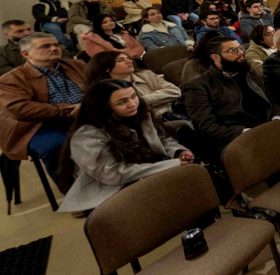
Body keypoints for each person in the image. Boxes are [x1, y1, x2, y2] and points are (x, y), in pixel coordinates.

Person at [55, 79, 192, 213]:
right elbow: (113, 174)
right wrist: (171, 165)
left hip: (145, 171)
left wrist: (177, 152)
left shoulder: (140, 115)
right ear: (104, 107)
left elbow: (162, 139)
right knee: (184, 191)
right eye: (122, 102)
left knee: (193, 180)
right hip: (112, 190)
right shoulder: (86, 136)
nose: (132, 104)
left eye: (134, 97)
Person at [0, 33, 86, 178]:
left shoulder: (77, 65)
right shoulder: (11, 79)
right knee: (57, 146)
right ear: (26, 54)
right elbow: (21, 109)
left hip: (84, 115)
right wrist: (68, 110)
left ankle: (124, 178)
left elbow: (99, 87)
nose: (54, 48)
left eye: (56, 45)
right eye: (45, 46)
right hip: (40, 126)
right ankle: (74, 192)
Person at [182, 36, 278, 163]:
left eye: (240, 48)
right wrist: (246, 132)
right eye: (233, 50)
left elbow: (271, 98)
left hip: (267, 127)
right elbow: (207, 127)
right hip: (236, 138)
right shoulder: (198, 86)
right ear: (215, 57)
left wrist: (277, 116)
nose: (240, 53)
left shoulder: (247, 71)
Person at [84, 51, 181, 118]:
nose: (130, 61)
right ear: (107, 68)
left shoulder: (146, 74)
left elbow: (175, 91)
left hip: (170, 114)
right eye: (120, 60)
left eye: (128, 58)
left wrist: (142, 100)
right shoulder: (101, 90)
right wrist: (158, 98)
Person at [2, 19, 71, 75]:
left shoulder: (49, 42)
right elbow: (4, 70)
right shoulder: (2, 51)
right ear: (7, 35)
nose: (27, 33)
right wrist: (41, 70)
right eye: (20, 31)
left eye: (29, 29)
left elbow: (67, 59)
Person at [81, 14, 146, 60]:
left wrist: (132, 53)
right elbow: (100, 56)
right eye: (105, 22)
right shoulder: (91, 39)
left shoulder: (123, 33)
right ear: (98, 25)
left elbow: (138, 46)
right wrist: (125, 54)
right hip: (111, 65)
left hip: (132, 59)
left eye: (111, 21)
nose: (110, 23)